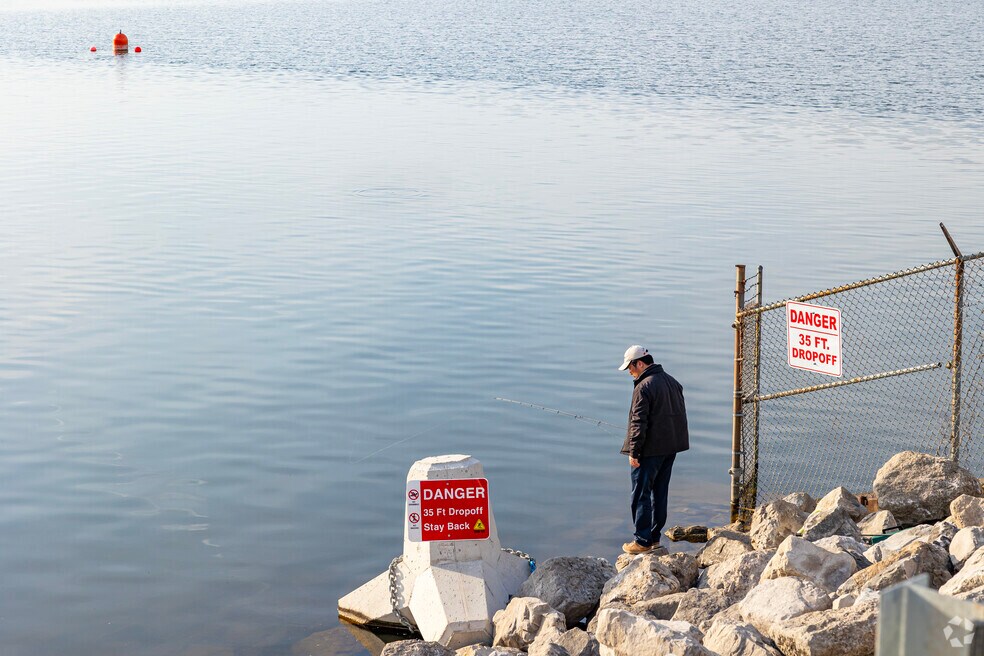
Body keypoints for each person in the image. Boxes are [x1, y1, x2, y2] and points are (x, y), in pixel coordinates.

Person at [617, 345, 689, 554]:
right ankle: (655, 538)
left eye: (630, 367)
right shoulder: (673, 382)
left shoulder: (644, 386)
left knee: (640, 494)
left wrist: (634, 452)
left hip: (649, 451)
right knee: (660, 493)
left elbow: (639, 422)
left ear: (639, 363)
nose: (629, 372)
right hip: (670, 448)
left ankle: (642, 540)